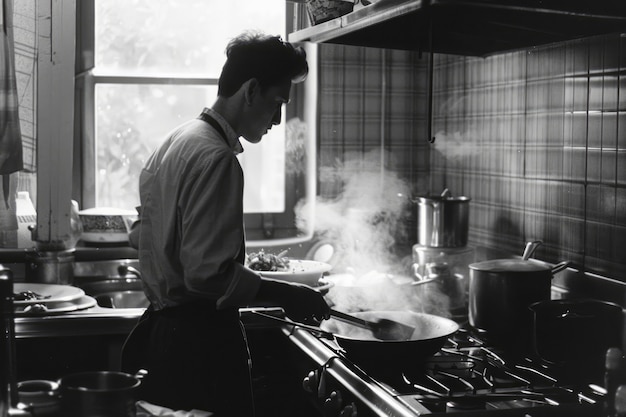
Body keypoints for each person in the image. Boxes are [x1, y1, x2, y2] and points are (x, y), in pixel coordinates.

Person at [122, 31, 330, 417]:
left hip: (163, 338)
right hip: (199, 346)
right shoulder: (217, 158)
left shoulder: (177, 140)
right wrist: (287, 294)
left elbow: (141, 232)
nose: (278, 119)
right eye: (277, 102)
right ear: (251, 90)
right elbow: (207, 275)